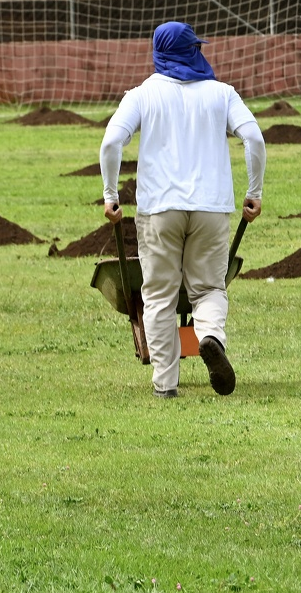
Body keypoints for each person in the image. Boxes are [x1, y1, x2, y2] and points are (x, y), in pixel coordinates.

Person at [100, 21, 266, 399]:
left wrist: (111, 195)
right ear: (194, 50)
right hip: (211, 208)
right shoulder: (222, 94)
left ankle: (166, 385)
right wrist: (254, 191)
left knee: (158, 295)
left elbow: (111, 143)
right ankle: (208, 337)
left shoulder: (142, 95)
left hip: (159, 209)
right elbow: (253, 137)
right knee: (208, 287)